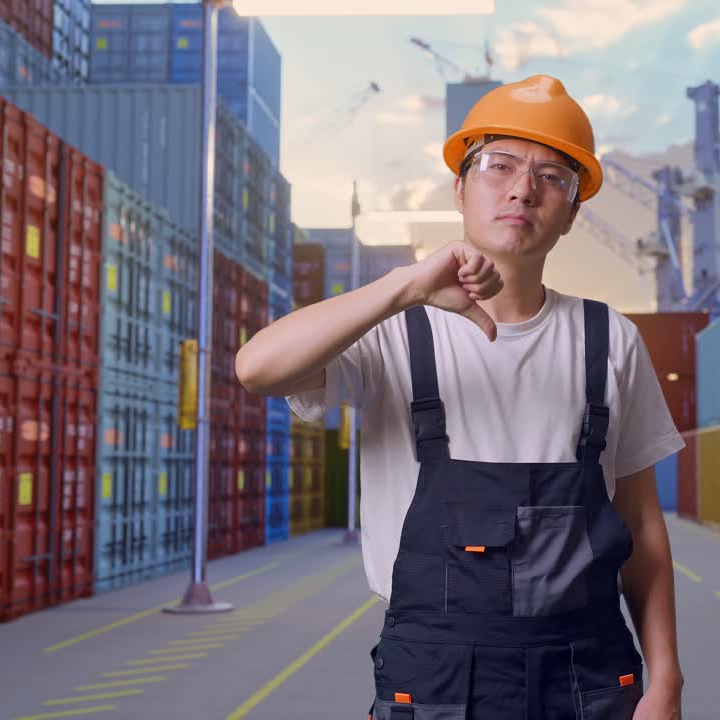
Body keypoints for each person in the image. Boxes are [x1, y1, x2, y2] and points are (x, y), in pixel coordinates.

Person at [237, 74, 685, 719]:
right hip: (435, 682)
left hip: (588, 680)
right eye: (499, 165)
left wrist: (665, 680)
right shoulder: (393, 334)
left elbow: (641, 525)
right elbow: (257, 368)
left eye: (552, 176)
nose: (522, 188)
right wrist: (404, 285)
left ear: (572, 213)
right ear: (461, 187)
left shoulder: (609, 340)